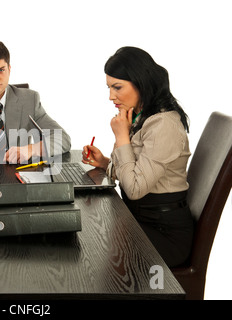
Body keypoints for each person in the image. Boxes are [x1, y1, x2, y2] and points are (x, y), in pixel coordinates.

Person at [82, 46, 194, 267]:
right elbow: (132, 171)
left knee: (90, 245)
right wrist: (105, 163)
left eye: (117, 87)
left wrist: (122, 136)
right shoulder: (142, 115)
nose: (111, 96)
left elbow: (134, 189)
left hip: (163, 235)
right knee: (87, 230)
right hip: (141, 220)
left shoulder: (164, 124)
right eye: (109, 88)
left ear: (141, 83)